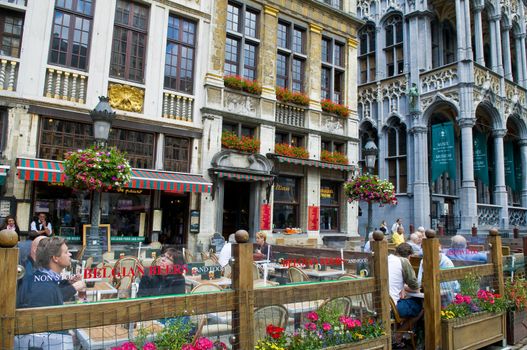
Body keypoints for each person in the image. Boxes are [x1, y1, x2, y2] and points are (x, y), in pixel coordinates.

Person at [388, 243, 422, 320]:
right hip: (392, 307)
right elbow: (415, 288)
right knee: (420, 304)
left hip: (380, 305)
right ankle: (406, 330)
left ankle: (402, 330)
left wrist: (403, 287)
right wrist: (405, 287)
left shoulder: (387, 259)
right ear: (409, 256)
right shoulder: (404, 261)